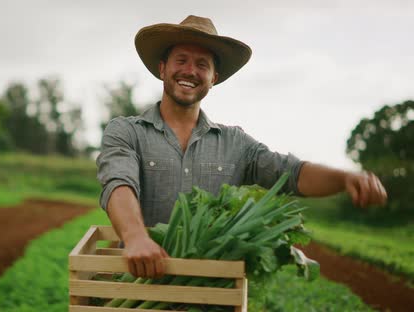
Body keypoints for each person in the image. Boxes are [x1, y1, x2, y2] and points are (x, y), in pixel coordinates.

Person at [96, 15, 387, 280]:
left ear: (214, 78)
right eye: (181, 60)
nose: (190, 71)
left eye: (202, 65)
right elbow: (118, 181)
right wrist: (135, 236)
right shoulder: (127, 131)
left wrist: (346, 178)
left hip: (212, 294)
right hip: (138, 284)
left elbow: (292, 173)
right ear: (163, 69)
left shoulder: (235, 143)